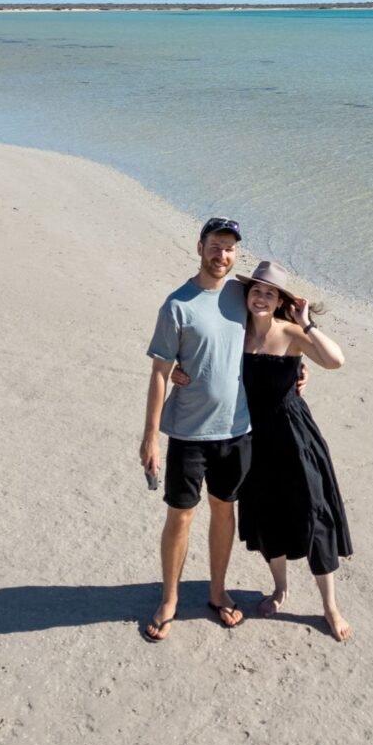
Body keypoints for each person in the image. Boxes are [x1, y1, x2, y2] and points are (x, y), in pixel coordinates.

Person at [173, 260, 353, 641]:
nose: (261, 297)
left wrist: (307, 322)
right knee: (269, 516)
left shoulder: (291, 333)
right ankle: (280, 590)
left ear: (280, 300)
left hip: (294, 437)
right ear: (247, 294)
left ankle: (330, 606)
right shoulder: (234, 333)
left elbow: (335, 361)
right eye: (256, 290)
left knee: (314, 516)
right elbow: (203, 356)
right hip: (251, 435)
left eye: (270, 293)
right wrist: (176, 370)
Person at [139, 217, 252, 642]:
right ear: (199, 247)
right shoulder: (178, 305)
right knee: (181, 515)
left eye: (229, 248)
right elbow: (160, 373)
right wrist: (150, 437)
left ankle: (217, 591)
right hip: (188, 432)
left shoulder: (245, 295)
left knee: (225, 511)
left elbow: (279, 333)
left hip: (237, 429)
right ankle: (169, 598)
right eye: (215, 246)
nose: (222, 255)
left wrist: (300, 371)